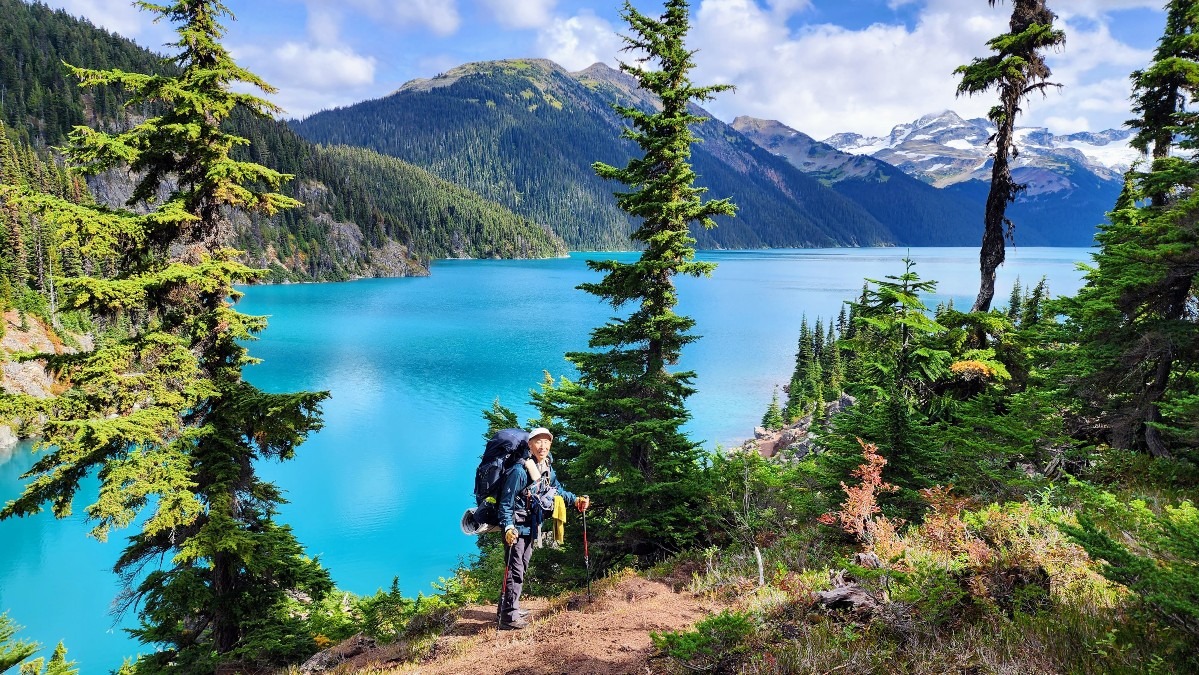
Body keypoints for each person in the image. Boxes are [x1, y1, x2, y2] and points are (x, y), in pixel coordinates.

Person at [496, 426, 589, 630]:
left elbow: (556, 490)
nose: (543, 445)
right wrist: (508, 528)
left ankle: (509, 607)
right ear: (530, 444)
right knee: (515, 570)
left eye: (546, 441)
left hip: (531, 526)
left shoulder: (545, 466)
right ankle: (508, 618)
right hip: (517, 528)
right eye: (538, 441)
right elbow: (505, 504)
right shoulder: (519, 471)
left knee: (522, 566)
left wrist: (575, 501)